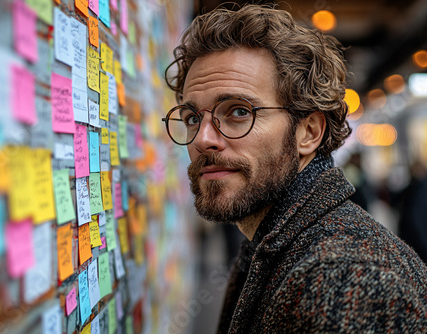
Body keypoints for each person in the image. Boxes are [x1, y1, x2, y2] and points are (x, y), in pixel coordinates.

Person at [162, 4, 427, 333]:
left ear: (309, 132)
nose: (202, 140)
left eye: (238, 112)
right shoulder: (274, 242)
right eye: (191, 118)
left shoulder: (346, 279)